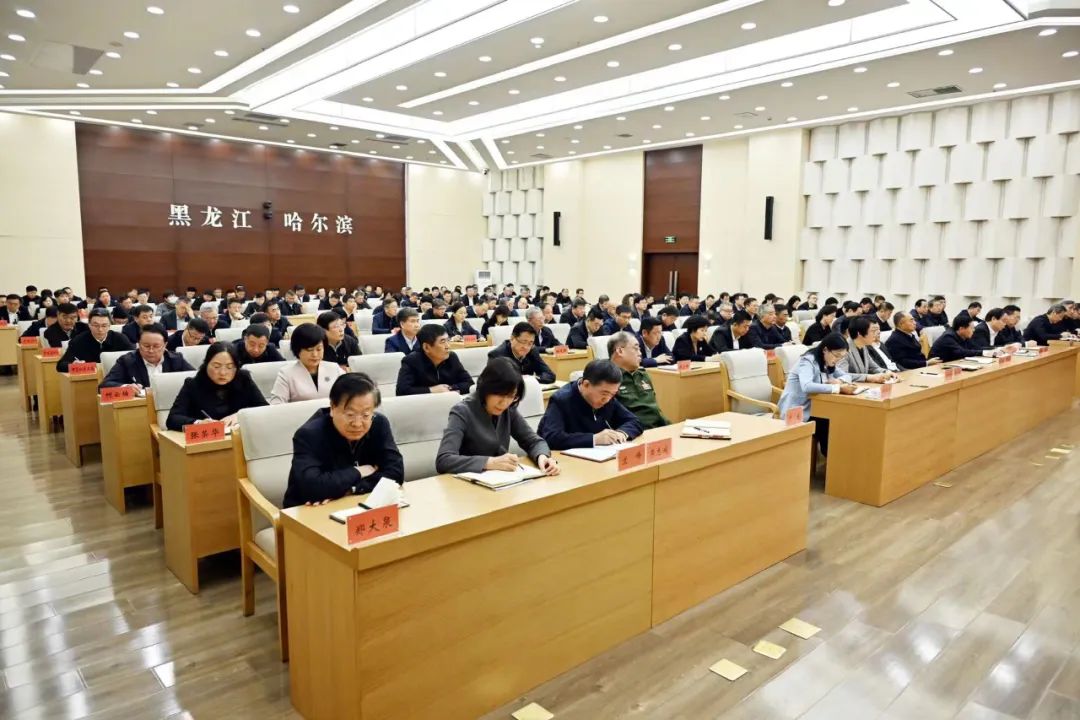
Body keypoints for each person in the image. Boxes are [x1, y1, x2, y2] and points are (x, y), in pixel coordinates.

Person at [282, 373, 404, 508]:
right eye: (350, 414)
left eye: (365, 415)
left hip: (358, 504)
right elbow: (312, 488)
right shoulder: (309, 434)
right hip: (308, 510)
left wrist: (352, 489)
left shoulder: (379, 423)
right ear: (332, 407)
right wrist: (360, 471)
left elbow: (395, 473)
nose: (357, 423)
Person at [435, 358, 560, 475]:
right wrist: (489, 462)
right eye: (500, 395)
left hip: (502, 481)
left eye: (511, 396)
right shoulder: (462, 411)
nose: (504, 403)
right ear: (486, 388)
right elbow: (444, 460)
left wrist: (542, 457)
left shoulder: (508, 410)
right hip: (467, 483)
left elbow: (534, 441)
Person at [777, 333, 856, 455]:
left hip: (817, 407)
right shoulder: (808, 361)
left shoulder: (827, 362)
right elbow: (807, 386)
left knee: (841, 419)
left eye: (842, 357)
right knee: (829, 424)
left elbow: (847, 375)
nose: (838, 360)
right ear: (825, 350)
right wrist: (837, 388)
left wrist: (840, 381)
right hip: (798, 409)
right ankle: (832, 459)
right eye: (837, 355)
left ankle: (838, 458)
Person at [538, 359, 644, 450]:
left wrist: (621, 433)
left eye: (613, 394)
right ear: (586, 384)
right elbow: (551, 437)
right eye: (604, 393)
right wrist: (594, 439)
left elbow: (634, 421)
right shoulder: (561, 400)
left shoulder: (609, 397)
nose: (607, 399)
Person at [165, 342, 267, 431]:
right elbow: (173, 419)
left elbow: (264, 408)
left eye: (229, 367)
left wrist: (239, 415)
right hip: (207, 441)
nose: (223, 373)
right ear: (206, 364)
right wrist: (198, 423)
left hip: (238, 438)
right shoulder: (193, 385)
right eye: (216, 366)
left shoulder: (244, 379)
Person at [99, 324, 194, 389]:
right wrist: (126, 387)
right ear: (138, 344)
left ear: (165, 345)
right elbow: (104, 386)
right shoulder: (127, 361)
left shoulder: (176, 359)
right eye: (146, 346)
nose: (151, 350)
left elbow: (196, 379)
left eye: (156, 346)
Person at [608, 332, 669, 430]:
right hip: (634, 432)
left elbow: (655, 410)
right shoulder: (607, 377)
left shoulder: (642, 374)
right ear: (620, 351)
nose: (640, 353)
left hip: (659, 429)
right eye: (636, 348)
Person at [270, 323, 343, 404]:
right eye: (309, 350)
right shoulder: (286, 373)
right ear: (298, 350)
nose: (315, 354)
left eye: (319, 349)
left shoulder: (334, 368)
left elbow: (349, 393)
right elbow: (276, 404)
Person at [395, 324, 474, 396]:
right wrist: (431, 390)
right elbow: (402, 391)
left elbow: (470, 383)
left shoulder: (451, 357)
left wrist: (449, 388)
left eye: (448, 340)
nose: (448, 346)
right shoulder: (411, 361)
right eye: (442, 342)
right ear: (426, 347)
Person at [57, 308, 134, 372]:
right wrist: (73, 365)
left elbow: (134, 359)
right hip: (89, 380)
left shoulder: (120, 338)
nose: (100, 329)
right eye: (96, 325)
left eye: (104, 325)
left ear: (109, 325)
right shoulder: (79, 340)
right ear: (89, 325)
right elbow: (61, 365)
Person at [487, 322, 556, 384]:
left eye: (530, 343)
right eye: (523, 342)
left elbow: (550, 375)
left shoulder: (532, 351)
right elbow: (497, 383)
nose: (526, 347)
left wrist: (534, 379)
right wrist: (523, 379)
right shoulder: (497, 356)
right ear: (512, 338)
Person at [838, 317, 898, 382]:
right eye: (873, 331)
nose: (876, 334)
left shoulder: (864, 346)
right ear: (859, 333)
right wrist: (868, 377)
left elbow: (873, 367)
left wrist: (886, 372)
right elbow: (842, 375)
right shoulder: (842, 349)